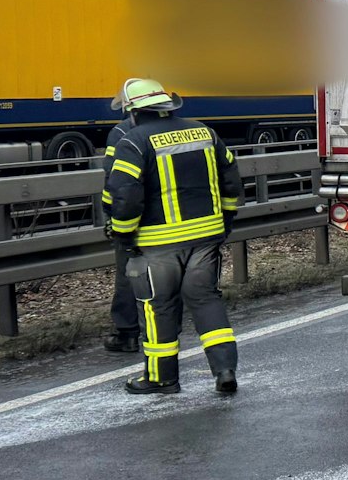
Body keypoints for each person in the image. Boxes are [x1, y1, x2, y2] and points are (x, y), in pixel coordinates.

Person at [101, 78, 242, 396]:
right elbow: (231, 178)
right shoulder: (204, 131)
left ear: (133, 112)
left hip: (157, 243)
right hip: (206, 237)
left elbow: (124, 194)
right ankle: (225, 370)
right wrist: (226, 221)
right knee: (206, 300)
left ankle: (162, 379)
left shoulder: (133, 141)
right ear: (167, 106)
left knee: (157, 307)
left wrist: (123, 236)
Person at [101, 94, 143, 354]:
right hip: (169, 220)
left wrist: (111, 217)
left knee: (128, 274)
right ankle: (165, 330)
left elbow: (114, 181)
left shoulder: (121, 133)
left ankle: (127, 334)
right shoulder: (176, 129)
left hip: (131, 217)